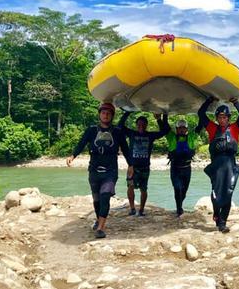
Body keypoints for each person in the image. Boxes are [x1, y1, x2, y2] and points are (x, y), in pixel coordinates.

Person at [67, 102, 131, 239]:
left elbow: (125, 149)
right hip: (94, 170)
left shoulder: (117, 132)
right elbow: (82, 143)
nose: (106, 115)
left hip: (110, 171)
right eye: (103, 113)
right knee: (96, 200)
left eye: (108, 113)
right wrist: (73, 155)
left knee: (105, 196)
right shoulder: (91, 130)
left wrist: (131, 165)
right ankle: (98, 219)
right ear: (99, 114)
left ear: (112, 116)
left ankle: (101, 227)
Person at [198, 96, 239, 233]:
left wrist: (235, 102)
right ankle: (216, 214)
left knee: (228, 194)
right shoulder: (212, 128)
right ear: (217, 118)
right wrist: (209, 101)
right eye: (219, 117)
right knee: (215, 194)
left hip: (230, 165)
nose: (222, 120)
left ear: (228, 118)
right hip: (217, 166)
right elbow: (201, 114)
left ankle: (222, 223)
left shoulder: (235, 128)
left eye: (225, 117)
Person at [117, 111, 170, 216]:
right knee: (130, 187)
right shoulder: (132, 133)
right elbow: (120, 126)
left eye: (143, 124)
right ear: (136, 125)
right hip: (132, 167)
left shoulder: (150, 135)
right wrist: (127, 112)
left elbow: (165, 131)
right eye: (139, 124)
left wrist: (161, 118)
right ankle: (132, 208)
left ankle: (141, 209)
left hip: (145, 168)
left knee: (143, 189)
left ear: (146, 125)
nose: (141, 126)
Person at [166, 119, 198, 217]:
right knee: (177, 188)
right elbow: (165, 127)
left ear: (187, 129)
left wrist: (202, 112)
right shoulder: (171, 137)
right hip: (175, 168)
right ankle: (179, 210)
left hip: (187, 169)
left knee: (184, 191)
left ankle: (179, 206)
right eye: (179, 128)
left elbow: (201, 125)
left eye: (183, 128)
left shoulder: (191, 137)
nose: (181, 130)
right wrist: (161, 117)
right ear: (176, 129)